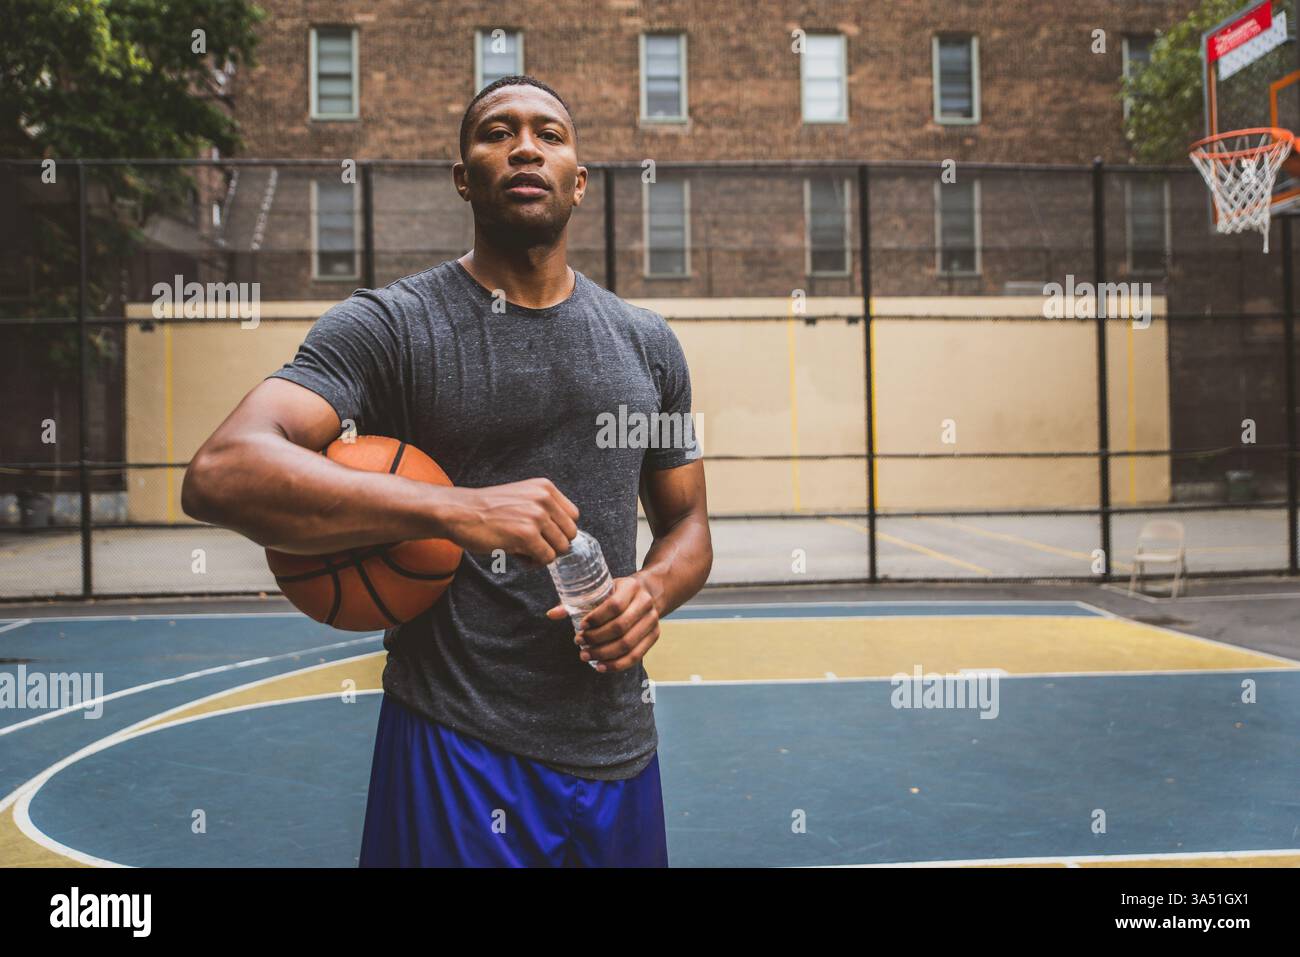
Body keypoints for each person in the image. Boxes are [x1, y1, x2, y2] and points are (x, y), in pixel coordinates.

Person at [181, 75, 712, 866]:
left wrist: (653, 590)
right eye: (497, 132)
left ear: (579, 182)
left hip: (620, 748)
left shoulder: (650, 344)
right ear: (464, 176)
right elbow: (220, 472)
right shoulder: (390, 326)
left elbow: (690, 525)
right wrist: (450, 509)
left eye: (549, 135)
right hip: (459, 744)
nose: (525, 146)